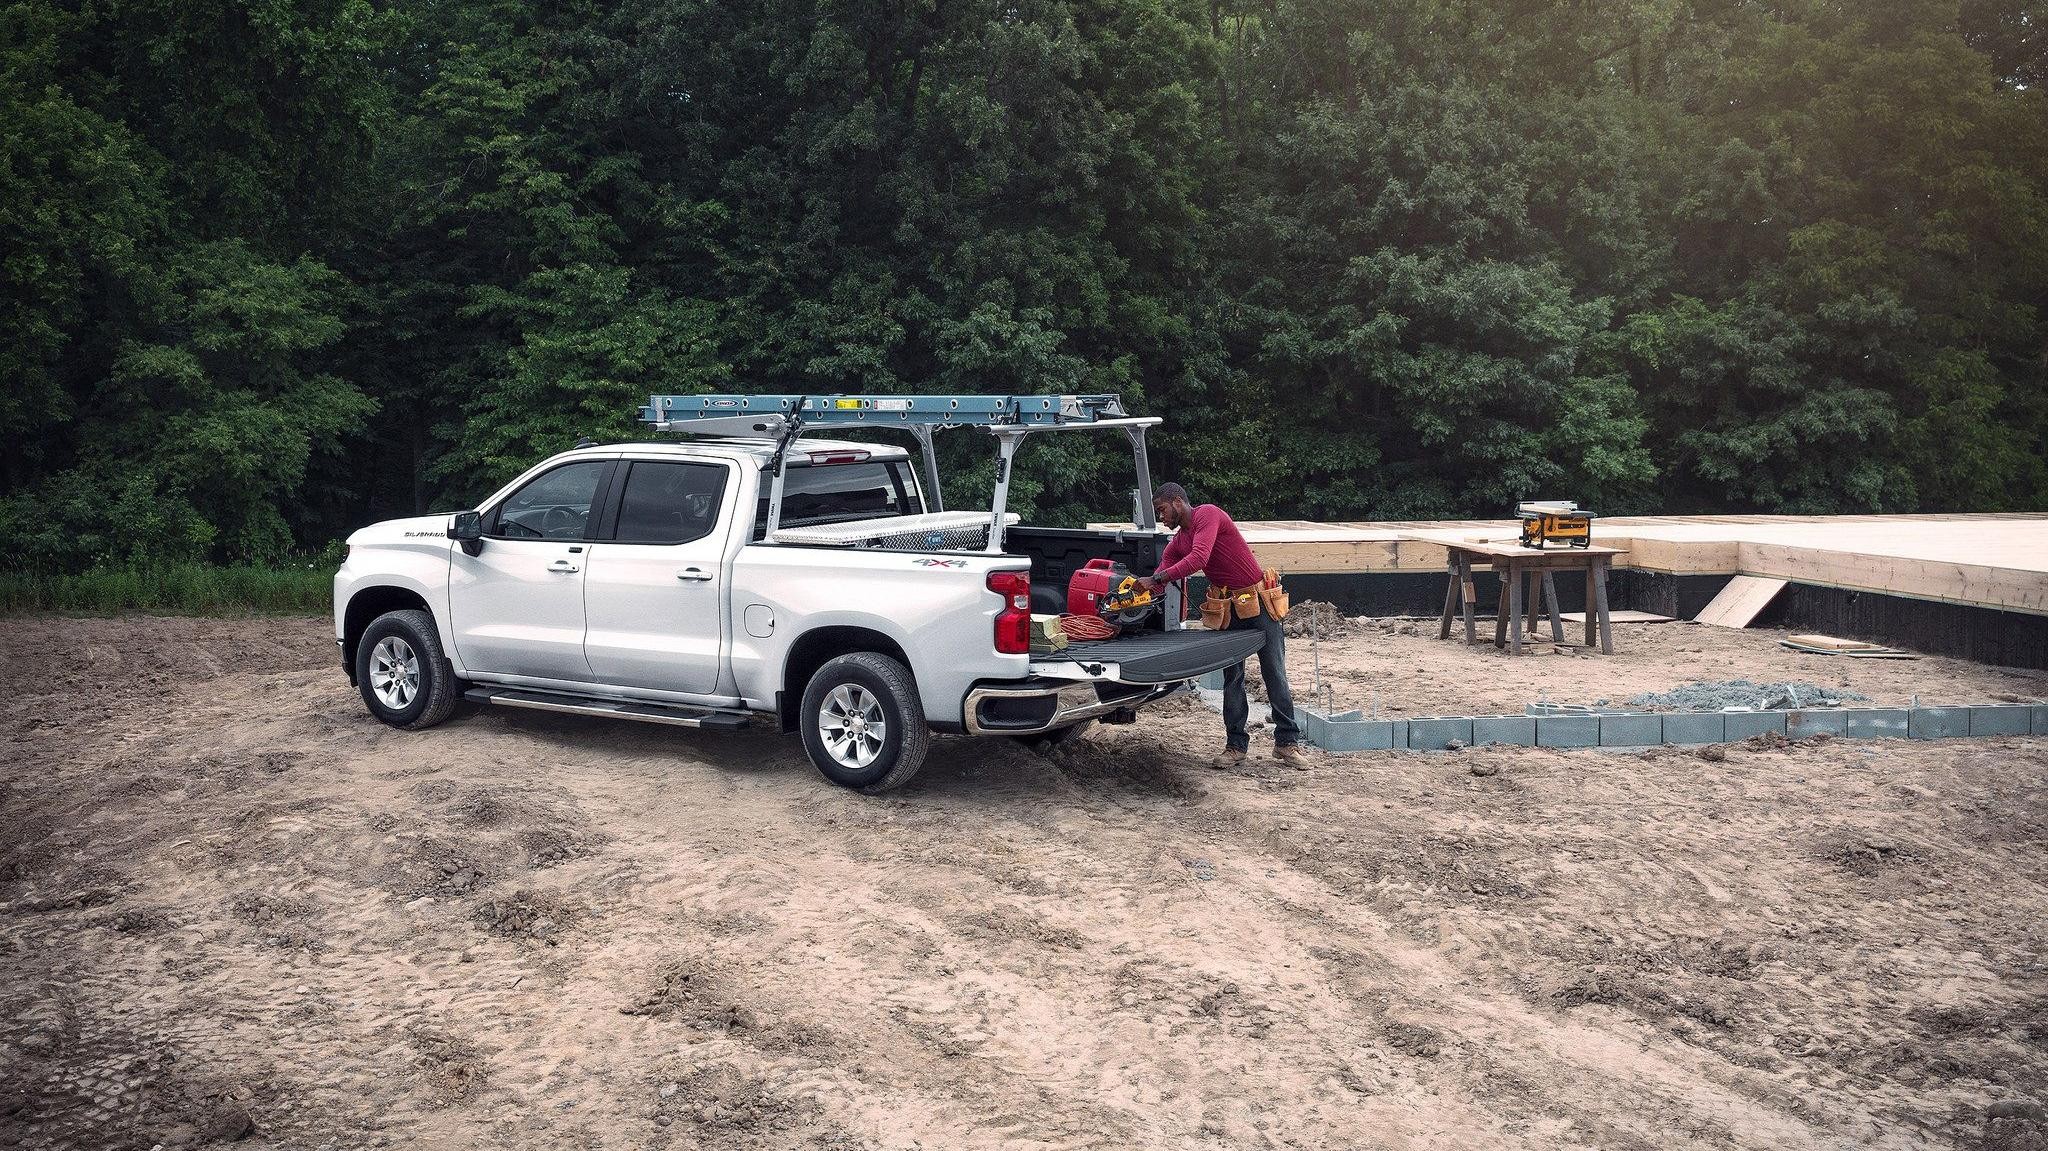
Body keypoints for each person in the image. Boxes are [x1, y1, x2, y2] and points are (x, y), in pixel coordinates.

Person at [1138, 483, 1305, 768]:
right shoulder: (1179, 540)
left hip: (1259, 603)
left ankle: (1287, 743)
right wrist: (1134, 594)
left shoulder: (1208, 516)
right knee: (1233, 677)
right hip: (1230, 609)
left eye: (1162, 510)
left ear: (1178, 503)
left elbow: (1198, 558)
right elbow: (1161, 571)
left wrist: (1158, 579)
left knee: (1274, 672)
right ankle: (1236, 746)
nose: (1161, 518)